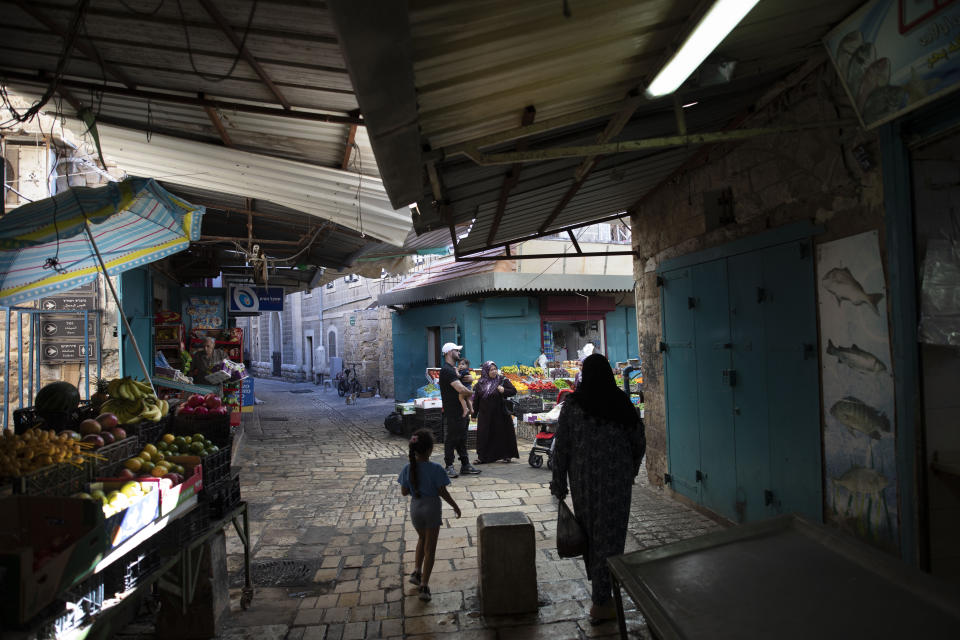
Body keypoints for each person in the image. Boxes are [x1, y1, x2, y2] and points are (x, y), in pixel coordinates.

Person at [550, 353, 645, 624]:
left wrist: (558, 483)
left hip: (585, 483)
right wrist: (630, 470)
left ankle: (600, 600)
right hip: (617, 484)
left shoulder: (573, 405)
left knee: (591, 536)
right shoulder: (622, 403)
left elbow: (562, 448)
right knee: (612, 538)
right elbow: (639, 440)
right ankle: (603, 598)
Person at [398, 429, 461, 602]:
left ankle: (417, 571)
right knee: (430, 548)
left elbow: (404, 492)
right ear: (430, 450)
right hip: (432, 508)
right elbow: (443, 492)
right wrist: (455, 506)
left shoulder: (407, 468)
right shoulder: (436, 469)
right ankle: (424, 585)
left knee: (421, 539)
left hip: (416, 509)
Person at [438, 343, 482, 478]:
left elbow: (463, 381)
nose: (459, 353)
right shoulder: (447, 370)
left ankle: (465, 465)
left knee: (462, 439)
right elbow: (461, 389)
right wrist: (473, 391)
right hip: (452, 411)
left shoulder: (453, 369)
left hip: (460, 411)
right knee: (451, 439)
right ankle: (449, 466)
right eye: (457, 350)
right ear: (449, 352)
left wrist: (470, 378)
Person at [471, 360, 519, 464]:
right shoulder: (480, 383)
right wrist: (474, 414)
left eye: (495, 369)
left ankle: (506, 455)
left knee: (502, 434)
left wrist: (504, 391)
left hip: (500, 414)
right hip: (485, 415)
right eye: (491, 369)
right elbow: (476, 400)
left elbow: (514, 391)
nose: (494, 371)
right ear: (485, 371)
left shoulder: (502, 380)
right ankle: (482, 457)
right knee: (484, 435)